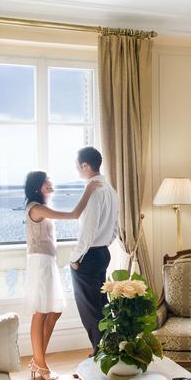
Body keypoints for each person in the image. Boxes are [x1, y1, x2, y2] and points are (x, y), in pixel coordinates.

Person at [23, 170, 101, 380]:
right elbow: (74, 215)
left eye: (49, 179)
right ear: (37, 187)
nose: (50, 183)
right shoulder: (37, 208)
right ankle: (40, 363)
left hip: (46, 262)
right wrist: (88, 190)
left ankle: (38, 359)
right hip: (40, 263)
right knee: (41, 312)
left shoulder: (40, 207)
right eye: (45, 181)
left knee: (53, 311)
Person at [69, 147, 119, 354]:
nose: (76, 168)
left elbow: (87, 231)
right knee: (102, 305)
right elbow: (115, 227)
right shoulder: (111, 190)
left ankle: (101, 353)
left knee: (90, 310)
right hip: (103, 253)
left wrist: (75, 257)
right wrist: (104, 244)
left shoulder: (94, 191)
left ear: (85, 165)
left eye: (77, 165)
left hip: (88, 257)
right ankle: (109, 350)